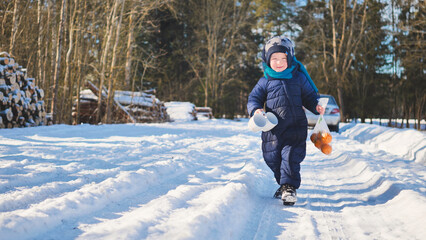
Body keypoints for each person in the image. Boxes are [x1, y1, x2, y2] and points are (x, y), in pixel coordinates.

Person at [247, 36, 324, 205]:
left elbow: (309, 96)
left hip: (295, 127)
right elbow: (253, 98)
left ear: (290, 59)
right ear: (267, 60)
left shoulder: (298, 78)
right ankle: (283, 184)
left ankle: (289, 187)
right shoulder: (265, 81)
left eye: (283, 58)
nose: (279, 62)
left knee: (290, 157)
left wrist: (315, 106)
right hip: (273, 130)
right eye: (274, 59)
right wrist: (256, 109)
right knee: (273, 159)